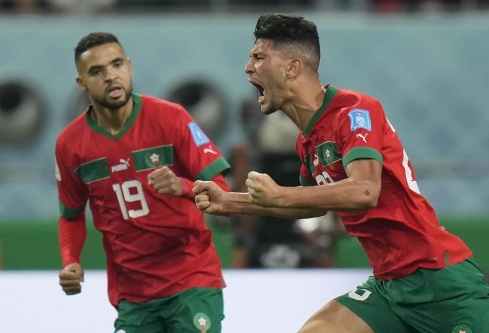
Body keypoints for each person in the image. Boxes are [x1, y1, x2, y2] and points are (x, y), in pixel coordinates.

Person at [193, 13, 489, 333]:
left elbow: (365, 191)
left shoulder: (356, 111)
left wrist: (281, 193)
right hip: (388, 287)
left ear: (293, 67)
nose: (248, 67)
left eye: (258, 57)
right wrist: (230, 201)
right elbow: (311, 205)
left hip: (439, 282)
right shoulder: (307, 140)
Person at [55, 32, 231, 333]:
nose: (111, 76)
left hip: (191, 278)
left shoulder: (171, 118)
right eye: (97, 71)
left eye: (117, 65)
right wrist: (71, 260)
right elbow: (71, 216)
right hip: (133, 295)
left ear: (130, 67)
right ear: (81, 83)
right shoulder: (70, 145)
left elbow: (223, 194)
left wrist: (184, 187)